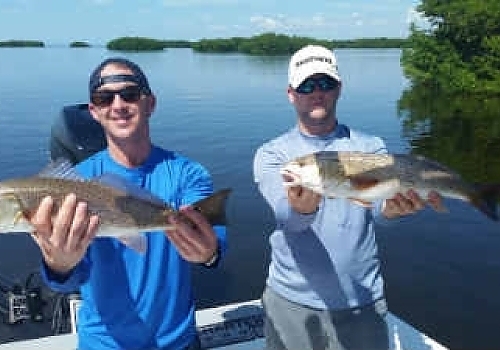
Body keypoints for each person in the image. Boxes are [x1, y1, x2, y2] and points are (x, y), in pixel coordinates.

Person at [253, 45, 443, 350]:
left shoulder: (371, 147)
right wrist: (301, 211)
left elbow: (380, 211)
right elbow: (286, 217)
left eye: (325, 83)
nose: (317, 92)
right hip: (291, 302)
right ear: (291, 93)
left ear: (338, 88)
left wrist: (394, 211)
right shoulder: (274, 155)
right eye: (306, 85)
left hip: (363, 299)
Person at [30, 57, 226, 350]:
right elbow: (67, 283)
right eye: (104, 98)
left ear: (151, 103)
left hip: (176, 341)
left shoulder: (188, 173)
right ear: (94, 112)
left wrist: (208, 252)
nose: (118, 104)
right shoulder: (75, 184)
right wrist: (59, 264)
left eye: (130, 94)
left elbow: (216, 247)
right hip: (103, 344)